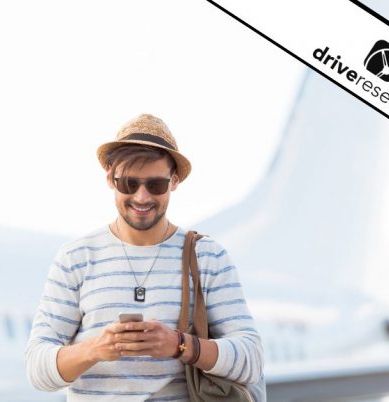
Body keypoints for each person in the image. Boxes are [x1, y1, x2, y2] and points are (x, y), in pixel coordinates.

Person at [25, 113, 265, 401]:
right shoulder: (76, 257)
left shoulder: (207, 256)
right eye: (128, 183)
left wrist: (178, 345)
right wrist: (95, 348)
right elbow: (37, 369)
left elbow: (252, 359)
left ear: (174, 181)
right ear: (109, 178)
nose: (141, 197)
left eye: (156, 185)